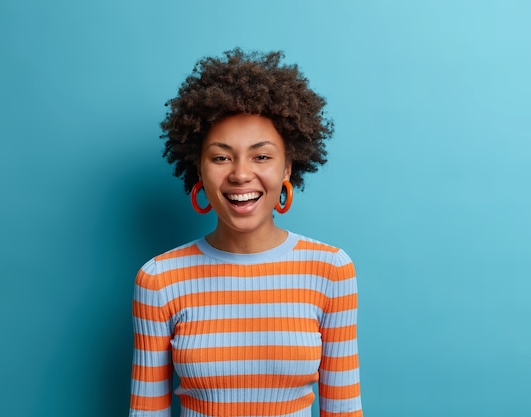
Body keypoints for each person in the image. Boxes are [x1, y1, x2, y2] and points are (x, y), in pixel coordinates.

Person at [129, 48, 362, 417]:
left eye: (261, 156)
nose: (240, 174)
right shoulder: (159, 280)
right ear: (199, 170)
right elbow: (146, 412)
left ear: (287, 166)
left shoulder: (330, 271)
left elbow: (344, 410)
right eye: (221, 157)